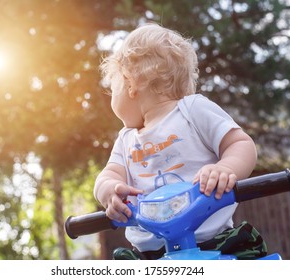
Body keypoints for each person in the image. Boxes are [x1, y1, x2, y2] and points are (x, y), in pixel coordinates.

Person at [94, 23, 261, 259]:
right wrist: (108, 191)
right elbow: (109, 174)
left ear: (129, 83)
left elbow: (240, 144)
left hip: (213, 245)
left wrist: (224, 168)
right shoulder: (126, 139)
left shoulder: (192, 110)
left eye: (113, 89)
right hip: (150, 255)